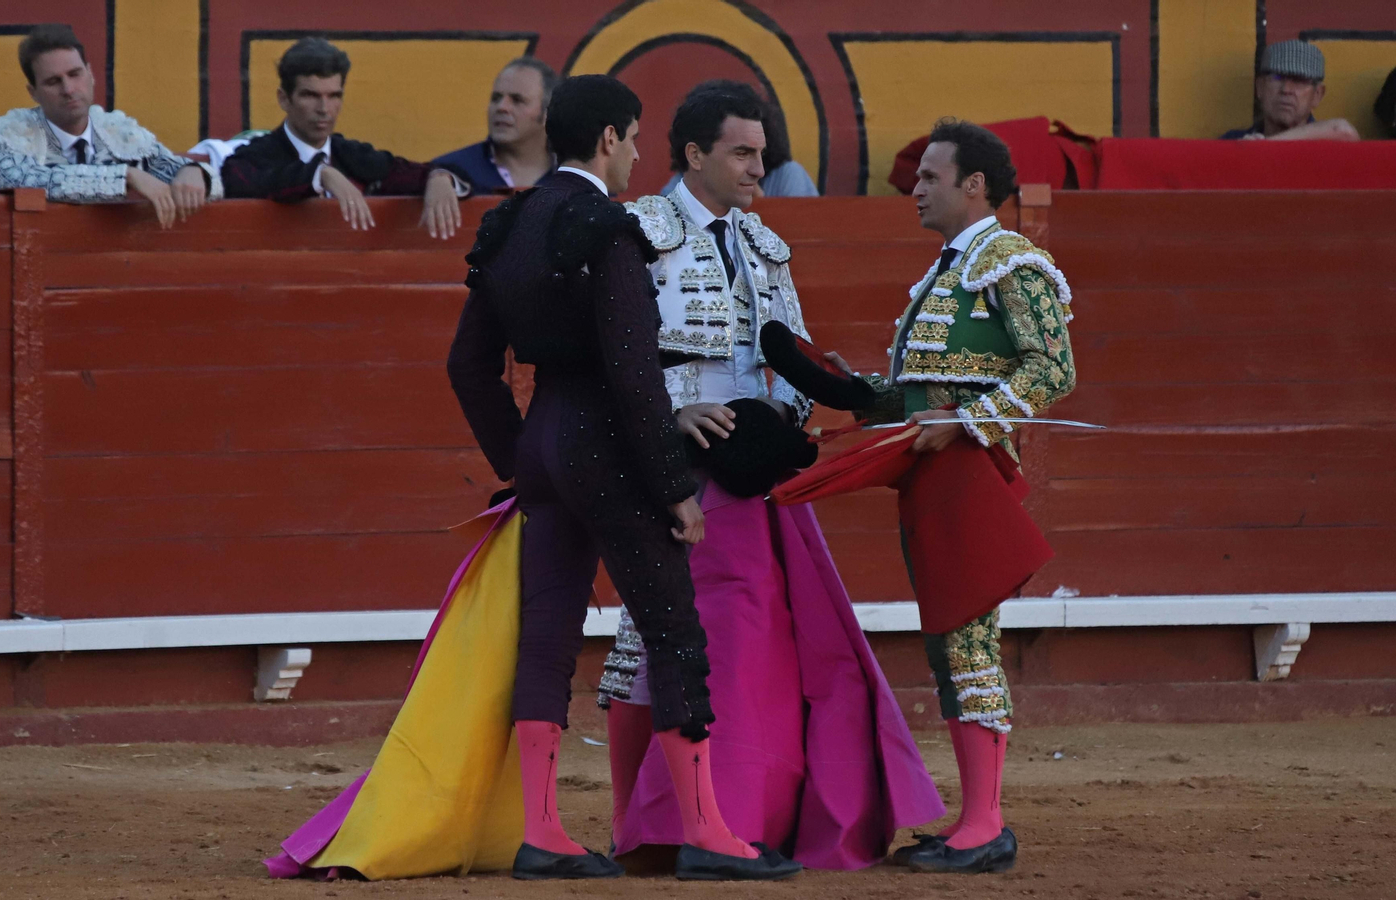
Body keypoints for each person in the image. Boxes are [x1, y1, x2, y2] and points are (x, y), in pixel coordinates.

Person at [445, 73, 802, 882]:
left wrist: (520, 460)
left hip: (543, 445)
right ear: (608, 138)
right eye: (634, 139)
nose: (639, 154)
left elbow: (468, 367)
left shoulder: (507, 226)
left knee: (547, 639)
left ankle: (543, 832)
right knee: (676, 633)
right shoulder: (606, 228)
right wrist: (675, 484)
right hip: (606, 443)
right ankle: (708, 831)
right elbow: (636, 375)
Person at [595, 81, 941, 869]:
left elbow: (785, 356)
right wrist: (675, 416)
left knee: (722, 646)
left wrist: (795, 417)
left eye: (761, 151)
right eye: (743, 152)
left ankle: (693, 821)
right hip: (672, 470)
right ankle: (651, 826)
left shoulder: (763, 246)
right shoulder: (638, 233)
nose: (762, 166)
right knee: (674, 648)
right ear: (694, 154)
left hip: (752, 479)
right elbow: (614, 361)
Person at [830, 119, 1077, 874]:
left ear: (974, 186)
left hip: (970, 473)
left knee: (967, 641)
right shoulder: (949, 269)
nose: (916, 188)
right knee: (949, 640)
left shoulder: (1007, 261)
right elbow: (928, 392)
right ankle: (975, 817)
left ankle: (986, 824)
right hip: (936, 473)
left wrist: (968, 423)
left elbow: (1053, 367)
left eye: (931, 177)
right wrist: (861, 393)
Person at [0, 24, 219, 227]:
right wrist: (127, 176)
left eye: (75, 74)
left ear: (91, 75)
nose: (68, 90)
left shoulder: (121, 134)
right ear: (33, 92)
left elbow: (206, 179)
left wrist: (195, 172)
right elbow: (27, 178)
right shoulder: (2, 138)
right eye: (53, 81)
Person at [222, 37, 470, 239]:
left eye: (334, 96)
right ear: (284, 99)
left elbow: (413, 172)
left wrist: (439, 177)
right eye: (310, 95)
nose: (324, 108)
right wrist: (320, 174)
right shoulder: (256, 154)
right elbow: (241, 180)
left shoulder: (352, 155)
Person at [659, 82, 817, 197]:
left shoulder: (788, 176)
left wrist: (759, 204)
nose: (757, 170)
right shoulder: (682, 184)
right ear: (696, 155)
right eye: (740, 153)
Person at [432, 57, 557, 192]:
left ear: (547, 113)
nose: (501, 107)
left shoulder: (575, 177)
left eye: (517, 100)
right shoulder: (448, 174)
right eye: (496, 98)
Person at [1220, 40, 1358, 141]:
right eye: (1277, 77)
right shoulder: (1233, 142)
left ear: (1317, 95)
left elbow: (1343, 131)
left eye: (1299, 80)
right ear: (1260, 87)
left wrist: (1264, 147)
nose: (1286, 89)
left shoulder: (1329, 142)